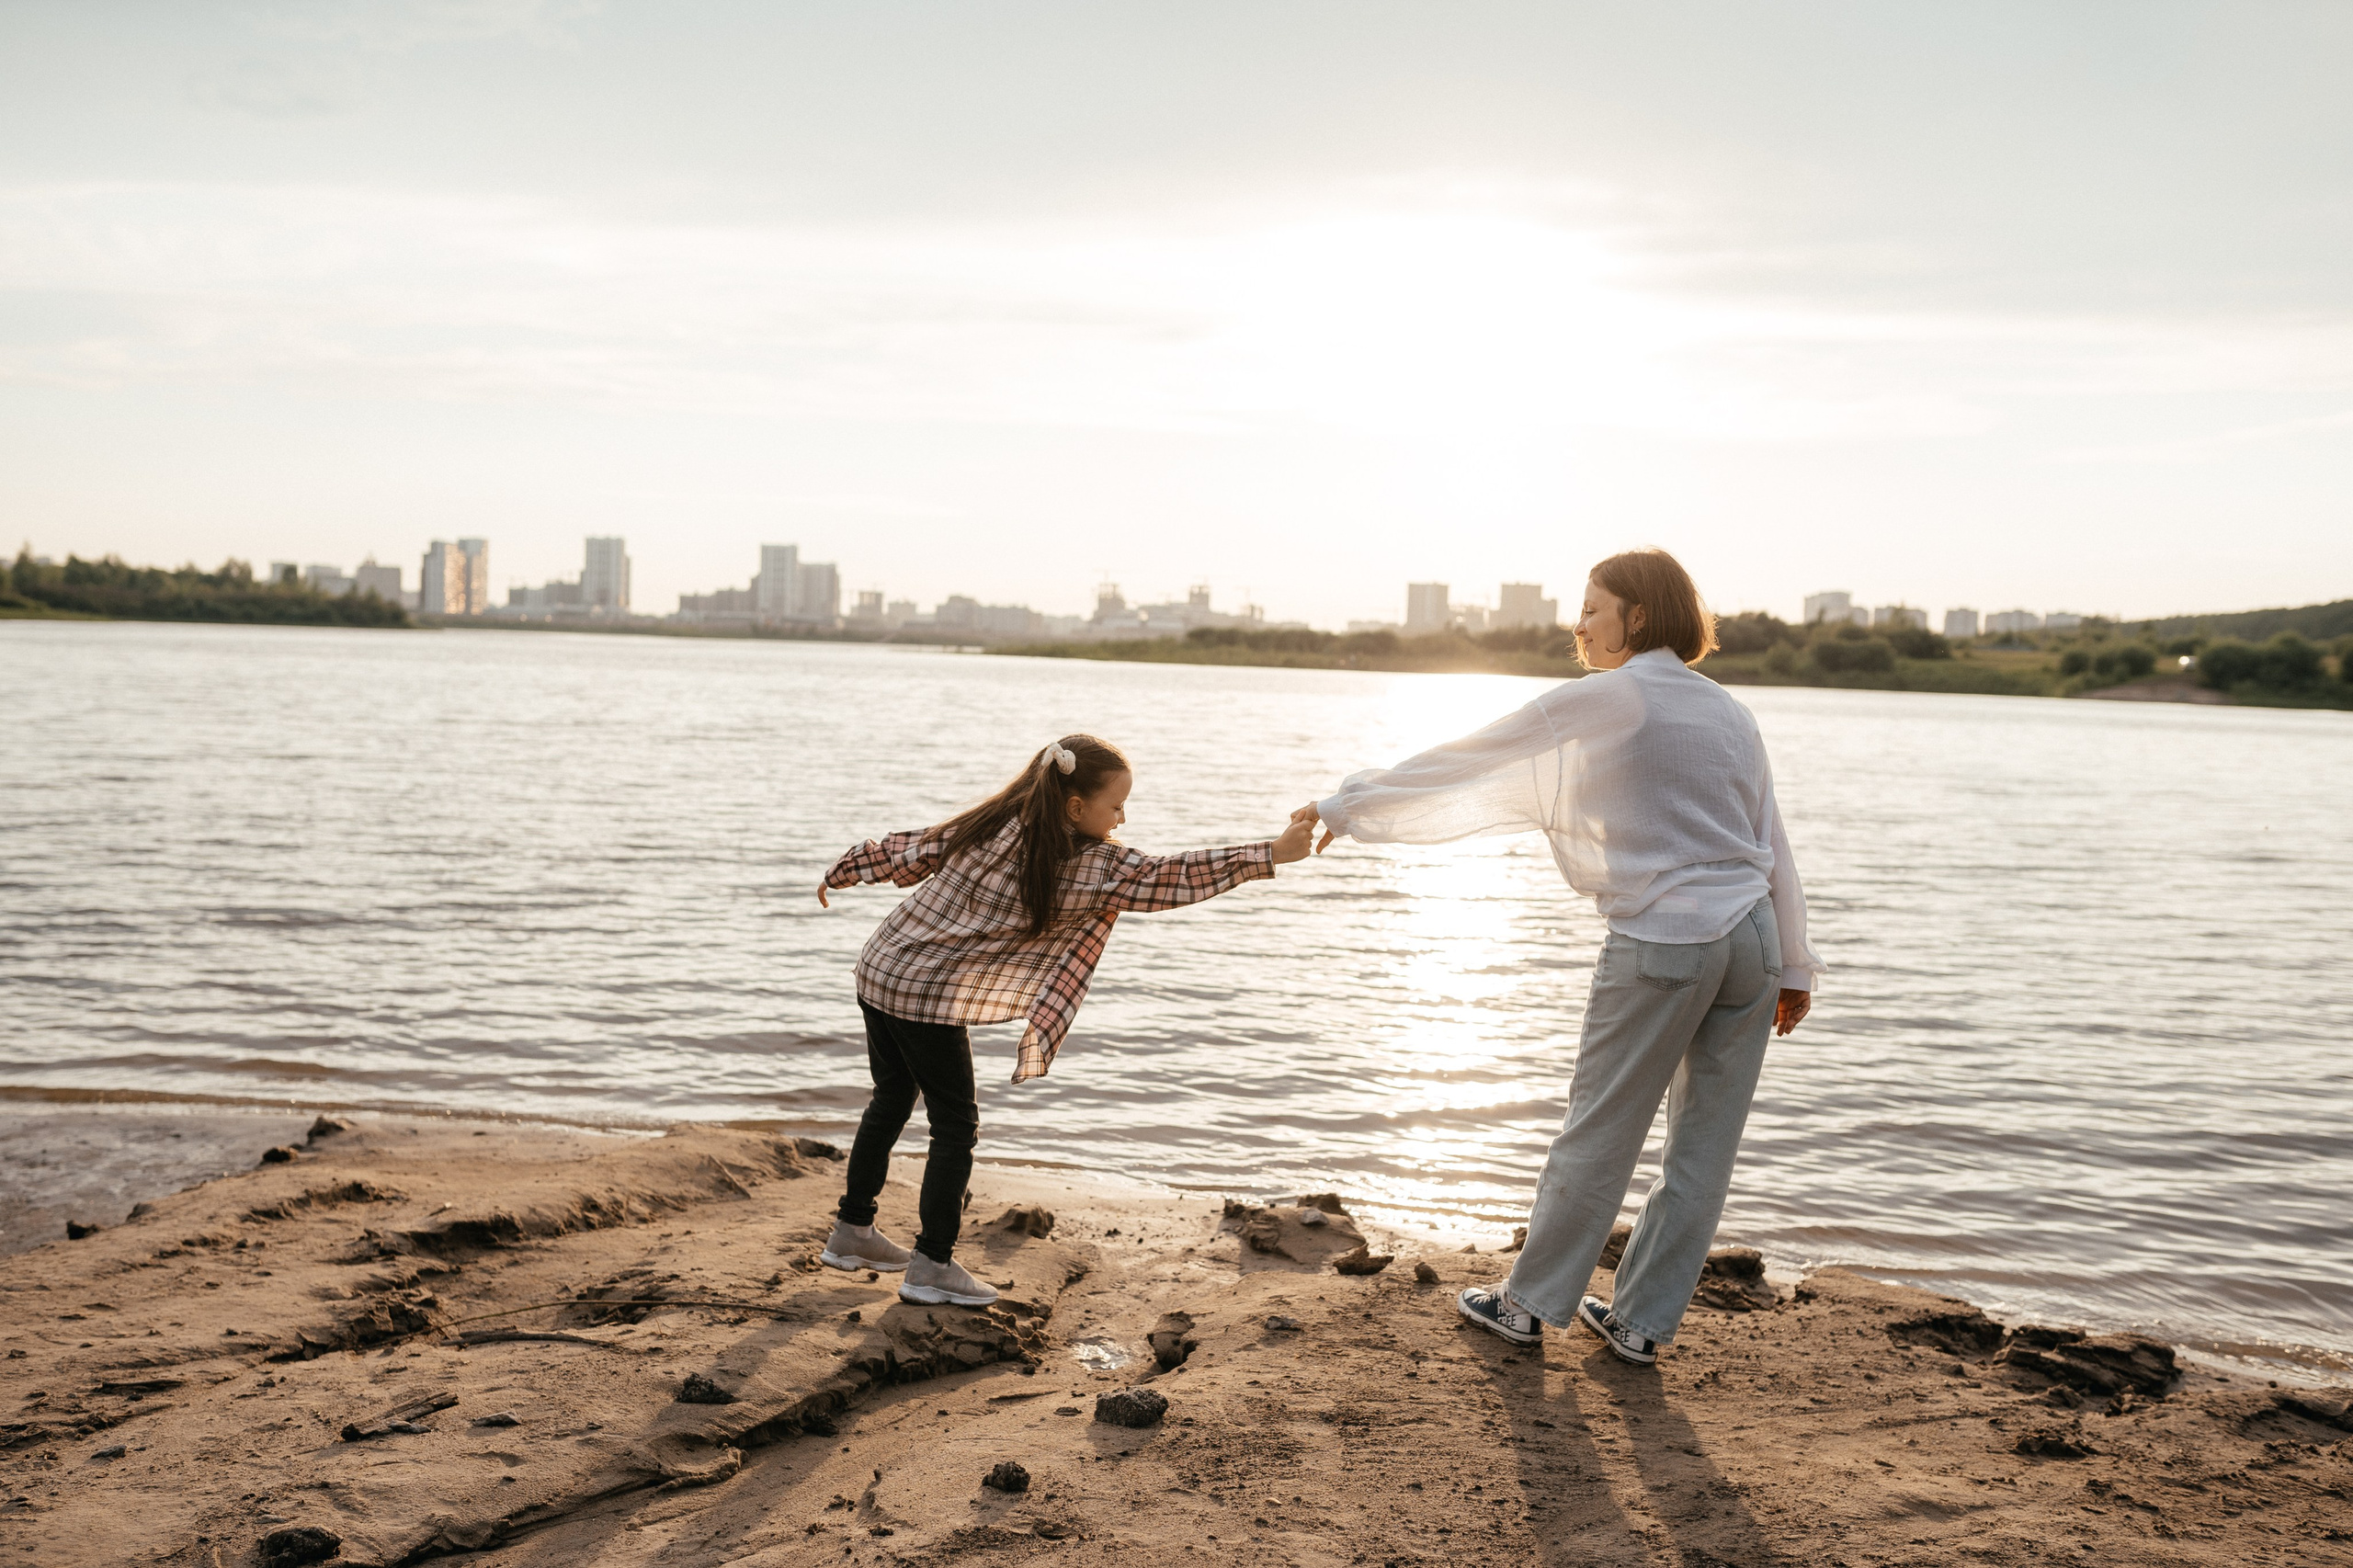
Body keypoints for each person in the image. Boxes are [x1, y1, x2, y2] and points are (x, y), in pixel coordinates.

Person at [1310, 549, 1824, 1364]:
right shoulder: (1730, 712)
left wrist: (1354, 802)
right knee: (1704, 1149)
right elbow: (1772, 840)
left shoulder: (1616, 693)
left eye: (1592, 608)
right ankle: (1640, 1324)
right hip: (1752, 940)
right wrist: (1796, 966)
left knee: (1599, 1131)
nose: (1577, 624)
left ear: (1638, 618)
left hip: (1667, 943)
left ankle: (1527, 1303)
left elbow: (1477, 753)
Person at [816, 734, 1318, 1308]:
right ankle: (931, 1264)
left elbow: (912, 848)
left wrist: (843, 871)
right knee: (955, 1126)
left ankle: (852, 1232)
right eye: (1116, 805)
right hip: (924, 994)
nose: (1123, 817)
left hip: (881, 966)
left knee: (891, 1097)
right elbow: (1175, 874)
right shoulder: (1091, 866)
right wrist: (1271, 854)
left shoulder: (993, 821)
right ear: (1076, 807)